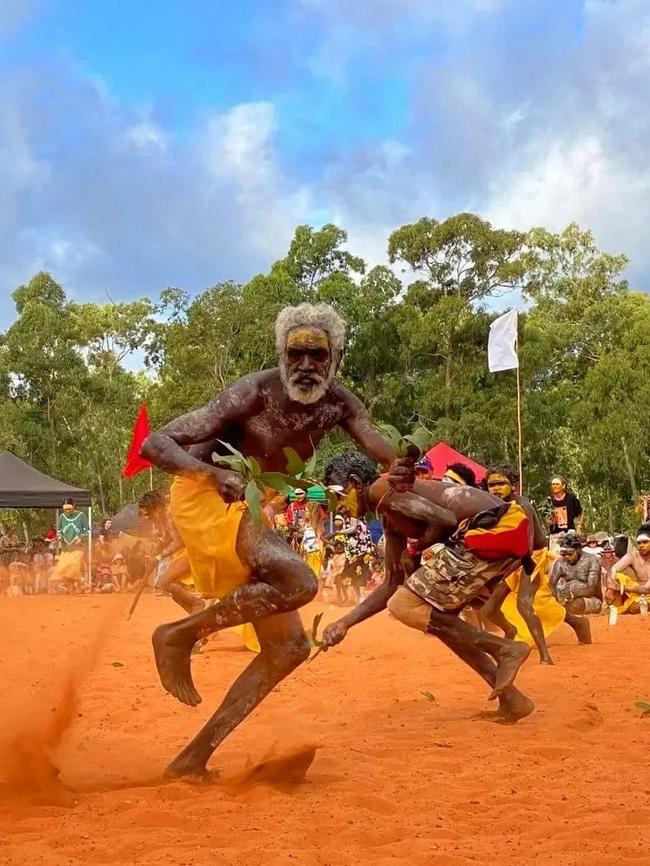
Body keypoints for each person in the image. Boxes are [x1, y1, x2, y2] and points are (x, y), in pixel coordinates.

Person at [140, 302, 401, 779]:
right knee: (299, 580)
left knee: (288, 649)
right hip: (205, 496)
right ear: (282, 354)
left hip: (248, 507)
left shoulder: (340, 403)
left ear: (334, 357)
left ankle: (191, 760)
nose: (306, 364)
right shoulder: (252, 392)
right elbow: (155, 445)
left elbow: (374, 441)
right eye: (296, 352)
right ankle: (179, 634)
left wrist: (399, 465)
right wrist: (210, 471)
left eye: (317, 355)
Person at [321, 451, 535, 722]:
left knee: (403, 605)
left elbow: (443, 519)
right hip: (501, 536)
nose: (337, 506)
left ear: (354, 482)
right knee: (444, 624)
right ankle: (512, 699)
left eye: (337, 495)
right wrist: (344, 623)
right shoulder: (388, 511)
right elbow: (392, 581)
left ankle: (505, 649)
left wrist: (416, 548)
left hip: (494, 533)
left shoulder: (381, 490)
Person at [479, 464, 564, 664]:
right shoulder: (491, 507)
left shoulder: (522, 505)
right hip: (512, 558)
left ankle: (545, 655)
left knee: (524, 604)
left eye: (501, 483)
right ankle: (511, 631)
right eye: (492, 485)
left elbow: (527, 543)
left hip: (531, 557)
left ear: (514, 486)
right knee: (489, 610)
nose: (496, 489)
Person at [138, 490, 203, 615]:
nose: (146, 518)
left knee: (164, 582)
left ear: (155, 507)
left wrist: (158, 557)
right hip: (184, 552)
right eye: (144, 515)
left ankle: (197, 604)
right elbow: (168, 538)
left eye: (147, 514)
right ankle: (198, 619)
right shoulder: (161, 518)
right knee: (172, 590)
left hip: (193, 549)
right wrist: (159, 546)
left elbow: (178, 542)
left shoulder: (169, 514)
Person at [550, 533, 602, 626]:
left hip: (592, 599)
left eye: (569, 554)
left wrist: (572, 590)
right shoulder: (560, 561)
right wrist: (556, 602)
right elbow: (552, 584)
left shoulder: (592, 560)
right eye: (563, 554)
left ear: (578, 549)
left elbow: (591, 589)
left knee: (575, 605)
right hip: (567, 599)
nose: (566, 557)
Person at [605, 524, 650, 614]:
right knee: (617, 576)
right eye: (639, 543)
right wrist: (611, 587)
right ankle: (616, 609)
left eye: (645, 542)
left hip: (645, 591)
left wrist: (622, 588)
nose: (641, 545)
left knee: (635, 608)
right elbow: (613, 569)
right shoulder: (633, 556)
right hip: (637, 592)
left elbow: (647, 589)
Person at [55, 498, 88, 590]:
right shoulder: (62, 517)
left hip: (79, 547)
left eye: (69, 509)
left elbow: (87, 530)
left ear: (74, 506)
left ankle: (80, 583)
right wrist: (60, 537)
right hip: (66, 547)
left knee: (74, 565)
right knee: (62, 567)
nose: (67, 511)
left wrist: (80, 538)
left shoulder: (81, 516)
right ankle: (75, 585)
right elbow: (59, 530)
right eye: (65, 509)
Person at [548, 477, 583, 546]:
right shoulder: (549, 501)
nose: (554, 486)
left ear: (563, 486)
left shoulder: (571, 499)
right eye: (553, 484)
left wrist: (579, 527)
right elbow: (547, 520)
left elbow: (581, 512)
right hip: (555, 534)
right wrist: (551, 520)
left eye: (557, 484)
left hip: (569, 533)